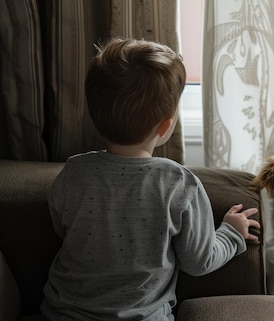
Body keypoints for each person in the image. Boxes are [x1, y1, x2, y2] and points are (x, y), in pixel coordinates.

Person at [41, 37, 261, 321]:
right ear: (166, 126)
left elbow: (62, 227)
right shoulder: (179, 184)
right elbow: (199, 261)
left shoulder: (73, 172)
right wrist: (231, 233)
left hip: (61, 314)